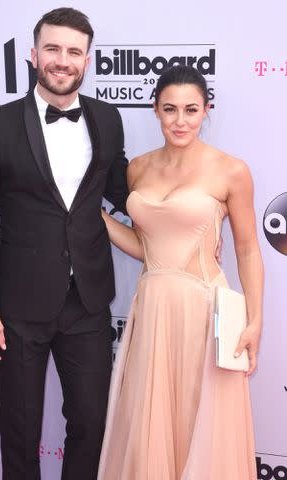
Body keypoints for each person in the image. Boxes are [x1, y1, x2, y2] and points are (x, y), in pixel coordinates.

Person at [0, 7, 128, 480]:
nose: (63, 60)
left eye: (74, 52)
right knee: (19, 430)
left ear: (87, 61)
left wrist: (191, 217)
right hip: (15, 308)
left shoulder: (108, 119)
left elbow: (124, 192)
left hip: (88, 303)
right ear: (34, 55)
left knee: (92, 424)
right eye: (53, 49)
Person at [97, 65, 263, 480]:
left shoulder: (231, 170)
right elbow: (146, 247)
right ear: (155, 110)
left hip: (204, 312)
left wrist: (256, 320)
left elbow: (246, 247)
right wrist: (94, 217)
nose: (180, 120)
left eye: (191, 109)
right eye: (170, 109)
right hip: (152, 310)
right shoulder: (138, 168)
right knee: (150, 424)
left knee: (198, 421)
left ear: (206, 110)